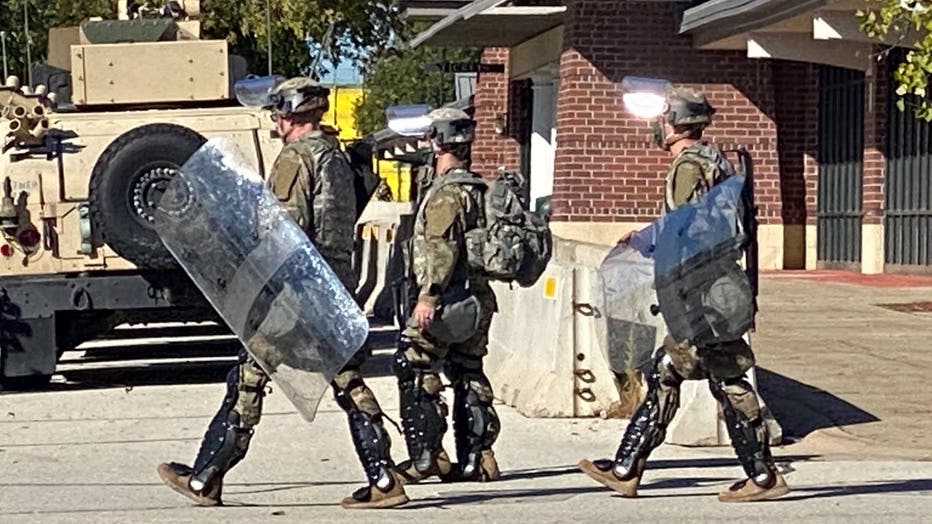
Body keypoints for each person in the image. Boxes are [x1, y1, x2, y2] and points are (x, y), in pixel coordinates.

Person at [156, 77, 408, 510]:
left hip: (294, 295)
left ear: (290, 113)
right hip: (333, 288)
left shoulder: (296, 158)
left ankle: (205, 479)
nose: (273, 119)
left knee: (249, 378)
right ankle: (383, 478)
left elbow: (282, 234)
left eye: (276, 111)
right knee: (347, 381)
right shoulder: (338, 159)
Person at [579, 86, 790, 503]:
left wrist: (650, 242)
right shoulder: (717, 162)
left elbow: (686, 229)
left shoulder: (688, 167)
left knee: (720, 377)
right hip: (717, 289)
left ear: (674, 123)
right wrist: (646, 235)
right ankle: (627, 467)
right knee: (671, 372)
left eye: (662, 120)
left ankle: (763, 476)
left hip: (703, 294)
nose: (657, 128)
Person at [392, 108, 502, 484]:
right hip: (477, 297)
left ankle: (427, 457)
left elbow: (441, 249)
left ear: (438, 142)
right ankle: (478, 458)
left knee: (412, 364)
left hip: (446, 300)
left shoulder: (445, 194)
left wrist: (428, 297)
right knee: (468, 370)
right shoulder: (476, 187)